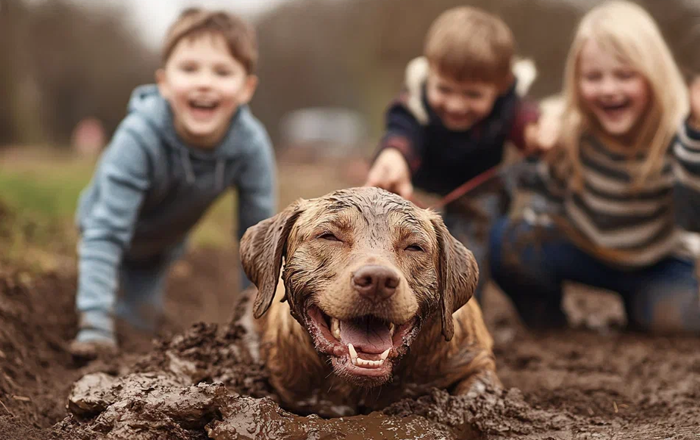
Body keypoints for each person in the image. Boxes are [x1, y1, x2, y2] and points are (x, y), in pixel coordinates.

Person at [69, 8, 276, 357]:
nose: (204, 82)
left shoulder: (250, 145)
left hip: (161, 248)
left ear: (246, 88)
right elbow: (106, 233)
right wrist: (94, 326)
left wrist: (256, 320)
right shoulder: (140, 135)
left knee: (140, 325)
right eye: (189, 69)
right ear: (164, 82)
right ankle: (89, 313)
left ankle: (131, 337)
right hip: (104, 231)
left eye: (222, 71)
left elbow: (258, 239)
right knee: (101, 322)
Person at [489, 1, 700, 333]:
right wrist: (535, 151)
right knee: (509, 241)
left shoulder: (679, 133)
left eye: (625, 75)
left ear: (654, 75)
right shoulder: (568, 130)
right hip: (582, 249)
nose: (608, 89)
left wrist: (696, 138)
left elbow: (693, 217)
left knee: (680, 318)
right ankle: (548, 320)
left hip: (656, 263)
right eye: (593, 77)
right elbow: (532, 193)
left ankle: (643, 311)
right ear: (576, 81)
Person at [364, 6, 540, 299]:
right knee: (410, 250)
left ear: (501, 87)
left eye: (473, 94)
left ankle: (468, 310)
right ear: (429, 75)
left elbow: (527, 121)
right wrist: (393, 155)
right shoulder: (414, 106)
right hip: (421, 196)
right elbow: (401, 133)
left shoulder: (510, 106)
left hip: (479, 198)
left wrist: (536, 131)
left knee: (472, 254)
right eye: (444, 90)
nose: (456, 105)